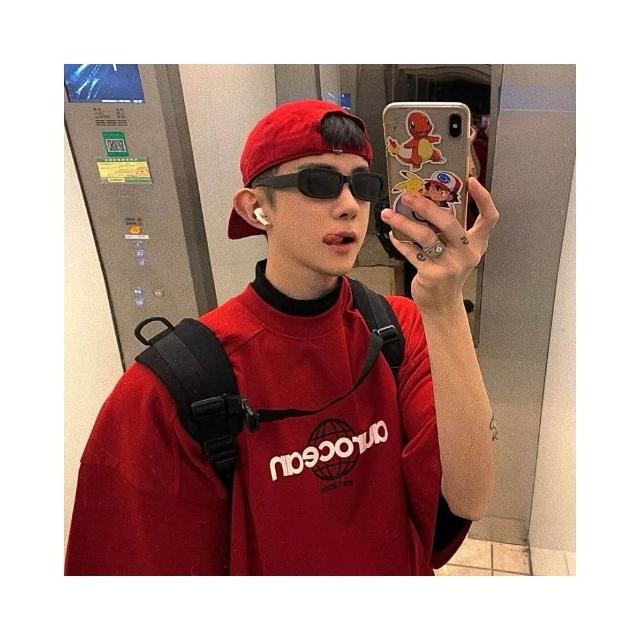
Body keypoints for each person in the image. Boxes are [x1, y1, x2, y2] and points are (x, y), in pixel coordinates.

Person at [65, 99, 499, 576]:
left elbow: (470, 498)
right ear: (255, 207)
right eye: (318, 183)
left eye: (362, 186)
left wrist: (444, 303)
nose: (348, 206)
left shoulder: (399, 328)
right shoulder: (169, 389)